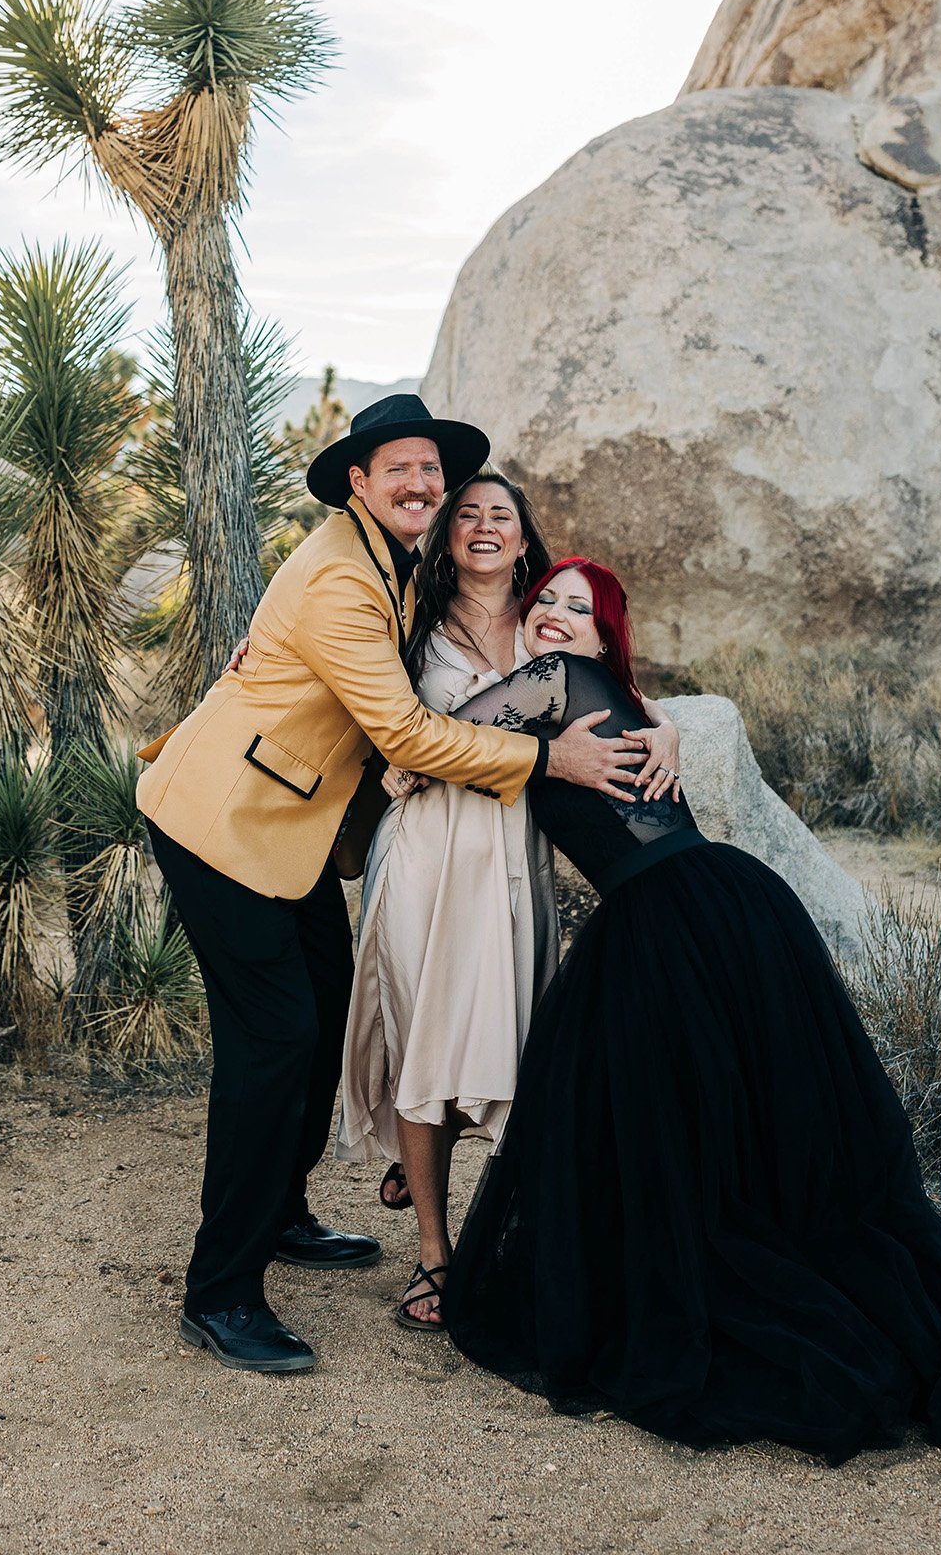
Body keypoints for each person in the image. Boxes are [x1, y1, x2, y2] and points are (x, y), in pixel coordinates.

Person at [440, 558, 941, 1464]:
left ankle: (684, 1292)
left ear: (604, 633)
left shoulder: (553, 681)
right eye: (544, 599)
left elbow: (433, 733)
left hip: (670, 915)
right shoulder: (614, 694)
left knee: (663, 1118)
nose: (552, 614)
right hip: (721, 906)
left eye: (576, 609)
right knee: (724, 1122)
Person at [135, 397, 644, 1376]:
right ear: (357, 482)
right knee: (275, 1036)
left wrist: (645, 719)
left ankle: (280, 1212)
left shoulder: (394, 556)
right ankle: (220, 1291)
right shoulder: (338, 577)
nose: (418, 483)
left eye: (428, 469)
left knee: (322, 1013)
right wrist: (548, 764)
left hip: (289, 829)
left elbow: (541, 639)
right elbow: (407, 731)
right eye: (396, 468)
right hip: (217, 823)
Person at [335, 476, 683, 1329]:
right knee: (424, 1034)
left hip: (512, 857)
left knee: (505, 1036)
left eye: (503, 516)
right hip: (426, 846)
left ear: (525, 540)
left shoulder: (542, 618)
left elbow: (599, 676)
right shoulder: (408, 614)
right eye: (468, 515)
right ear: (447, 536)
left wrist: (665, 723)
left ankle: (480, 1205)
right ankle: (434, 1251)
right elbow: (341, 688)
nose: (485, 526)